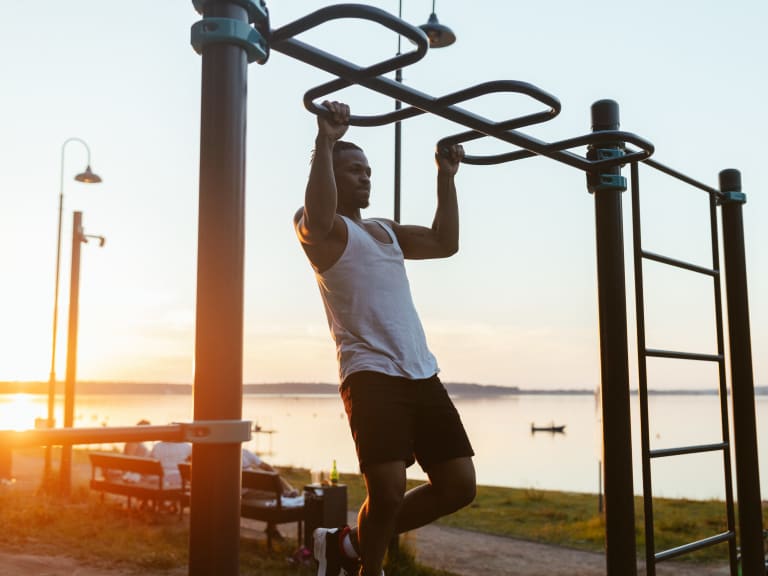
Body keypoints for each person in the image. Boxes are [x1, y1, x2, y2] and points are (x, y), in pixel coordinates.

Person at [294, 100, 476, 576]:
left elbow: (445, 242)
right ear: (330, 175)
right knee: (389, 490)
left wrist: (446, 176)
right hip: (371, 374)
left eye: (368, 171)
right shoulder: (322, 230)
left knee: (460, 486)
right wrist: (325, 141)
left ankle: (348, 543)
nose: (365, 177)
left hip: (420, 370)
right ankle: (367, 569)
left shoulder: (385, 231)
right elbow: (317, 208)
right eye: (353, 170)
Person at [241, 448, 302, 542]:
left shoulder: (230, 455)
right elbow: (267, 467)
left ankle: (288, 493)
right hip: (247, 492)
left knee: (275, 491)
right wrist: (286, 486)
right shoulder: (244, 452)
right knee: (277, 493)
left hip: (239, 491)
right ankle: (272, 529)